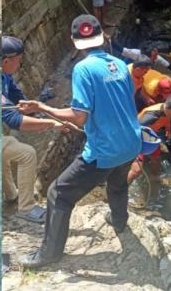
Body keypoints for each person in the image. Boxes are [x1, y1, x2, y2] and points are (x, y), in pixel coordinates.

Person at [19, 14, 141, 268]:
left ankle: (49, 254)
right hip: (131, 141)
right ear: (102, 37)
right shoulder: (119, 64)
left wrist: (42, 107)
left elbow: (79, 117)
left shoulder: (83, 69)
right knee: (118, 184)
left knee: (58, 194)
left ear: (74, 41)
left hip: (105, 149)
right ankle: (119, 220)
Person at [1, 36, 70, 223]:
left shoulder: (4, 75)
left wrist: (34, 108)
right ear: (6, 61)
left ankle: (11, 195)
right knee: (27, 153)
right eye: (19, 60)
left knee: (10, 144)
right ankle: (26, 208)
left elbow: (17, 96)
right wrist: (51, 123)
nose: (20, 64)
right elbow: (14, 120)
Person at [127, 93, 171, 185]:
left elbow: (167, 119)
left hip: (150, 137)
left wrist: (168, 130)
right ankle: (120, 190)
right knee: (136, 171)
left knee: (156, 159)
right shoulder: (151, 116)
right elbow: (133, 130)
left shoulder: (166, 109)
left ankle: (154, 177)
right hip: (137, 139)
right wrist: (137, 150)